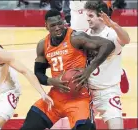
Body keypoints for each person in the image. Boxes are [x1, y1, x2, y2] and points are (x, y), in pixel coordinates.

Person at [20, 9, 116, 130]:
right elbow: (38, 73)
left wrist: (89, 70)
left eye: (60, 23)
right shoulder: (42, 45)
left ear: (64, 22)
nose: (58, 27)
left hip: (79, 98)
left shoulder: (76, 37)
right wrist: (51, 81)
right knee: (29, 126)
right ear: (46, 26)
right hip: (56, 97)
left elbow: (108, 45)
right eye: (53, 25)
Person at [84, 1, 130, 129]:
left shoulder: (111, 34)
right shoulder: (84, 34)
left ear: (101, 16)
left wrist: (113, 24)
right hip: (87, 91)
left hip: (107, 91)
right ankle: (120, 72)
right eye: (87, 15)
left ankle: (120, 73)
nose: (87, 19)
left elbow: (126, 40)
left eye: (91, 16)